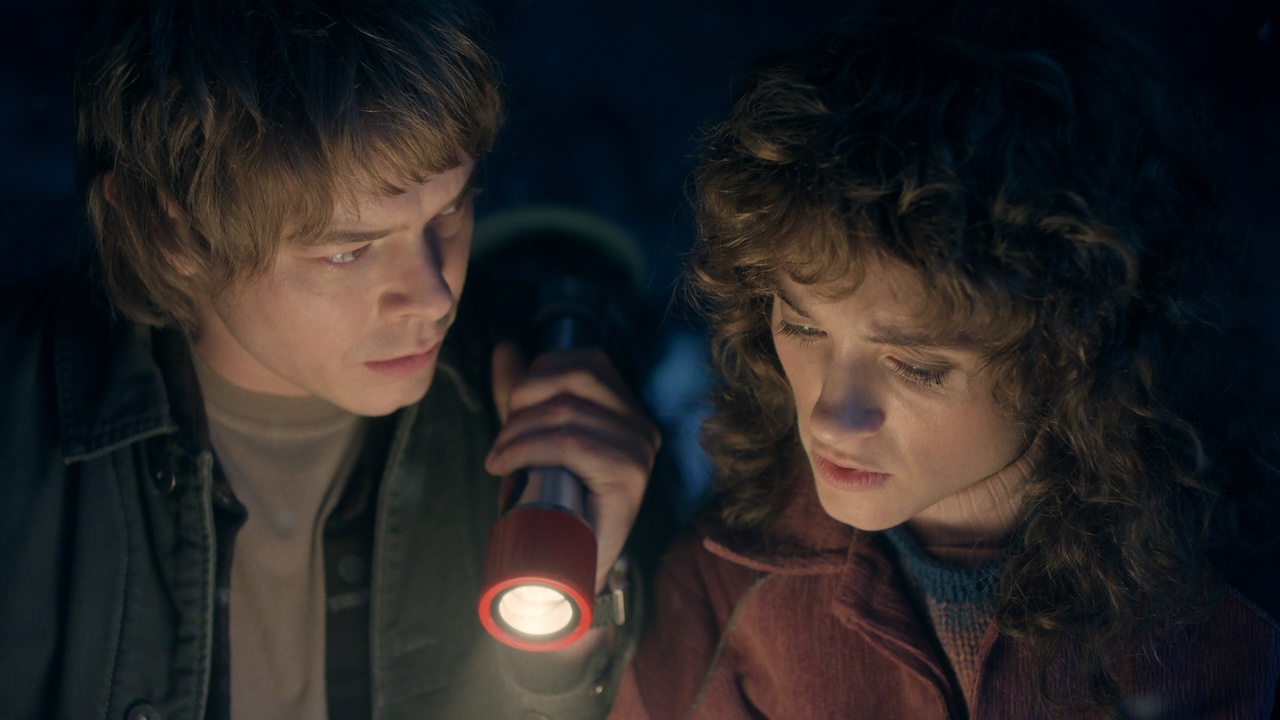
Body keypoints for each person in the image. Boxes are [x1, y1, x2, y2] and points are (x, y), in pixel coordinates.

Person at [609, 0, 1280, 717]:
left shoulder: (1236, 612)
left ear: (1073, 348)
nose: (834, 416)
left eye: (915, 366)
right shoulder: (724, 583)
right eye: (803, 327)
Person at [0, 1, 659, 718]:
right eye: (349, 251)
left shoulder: (552, 387)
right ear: (173, 230)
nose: (433, 296)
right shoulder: (18, 429)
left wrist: (579, 612)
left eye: (449, 212)